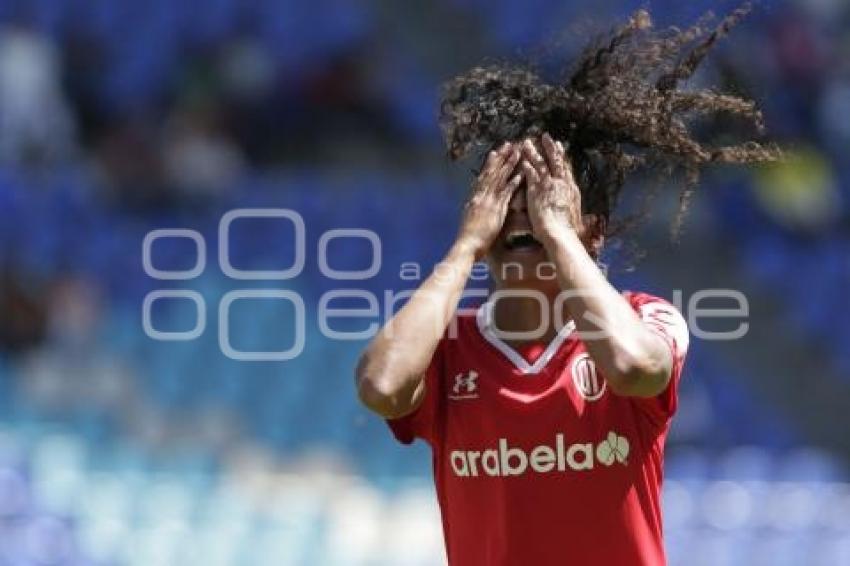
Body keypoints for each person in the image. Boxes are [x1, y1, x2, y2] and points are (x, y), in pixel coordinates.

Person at [356, 6, 779, 565]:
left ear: (593, 231)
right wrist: (464, 247)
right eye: (510, 201)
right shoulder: (444, 348)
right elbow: (383, 385)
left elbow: (634, 368)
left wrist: (559, 234)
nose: (524, 218)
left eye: (546, 200)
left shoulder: (647, 317)